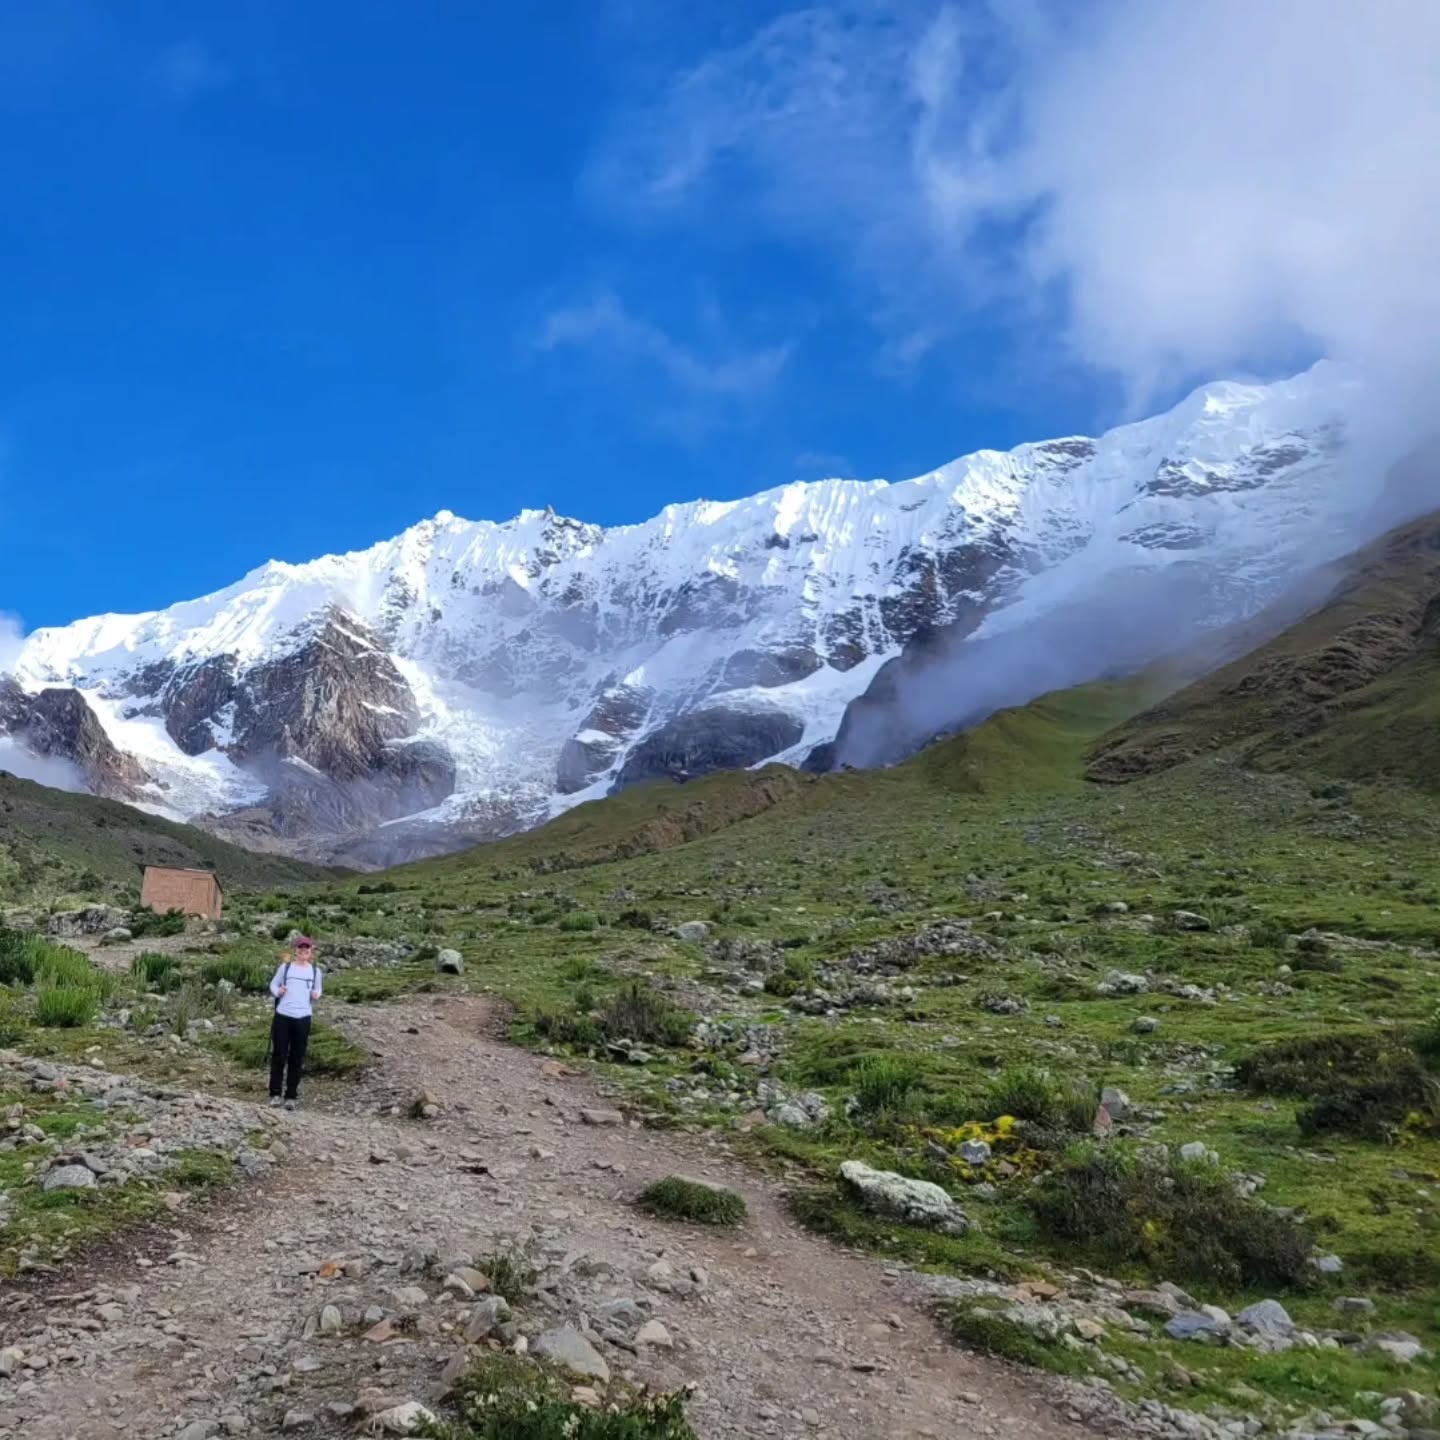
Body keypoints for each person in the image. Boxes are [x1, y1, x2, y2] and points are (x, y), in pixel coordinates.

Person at [269, 935, 322, 1110]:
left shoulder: (315, 971)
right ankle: (275, 1094)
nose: (303, 951)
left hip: (303, 1017)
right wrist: (279, 992)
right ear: (295, 950)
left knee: (297, 1057)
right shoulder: (285, 968)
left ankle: (291, 1096)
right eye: (300, 948)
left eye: (306, 949)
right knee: (279, 1054)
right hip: (283, 1015)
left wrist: (316, 995)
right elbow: (273, 985)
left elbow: (318, 989)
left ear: (310, 952)